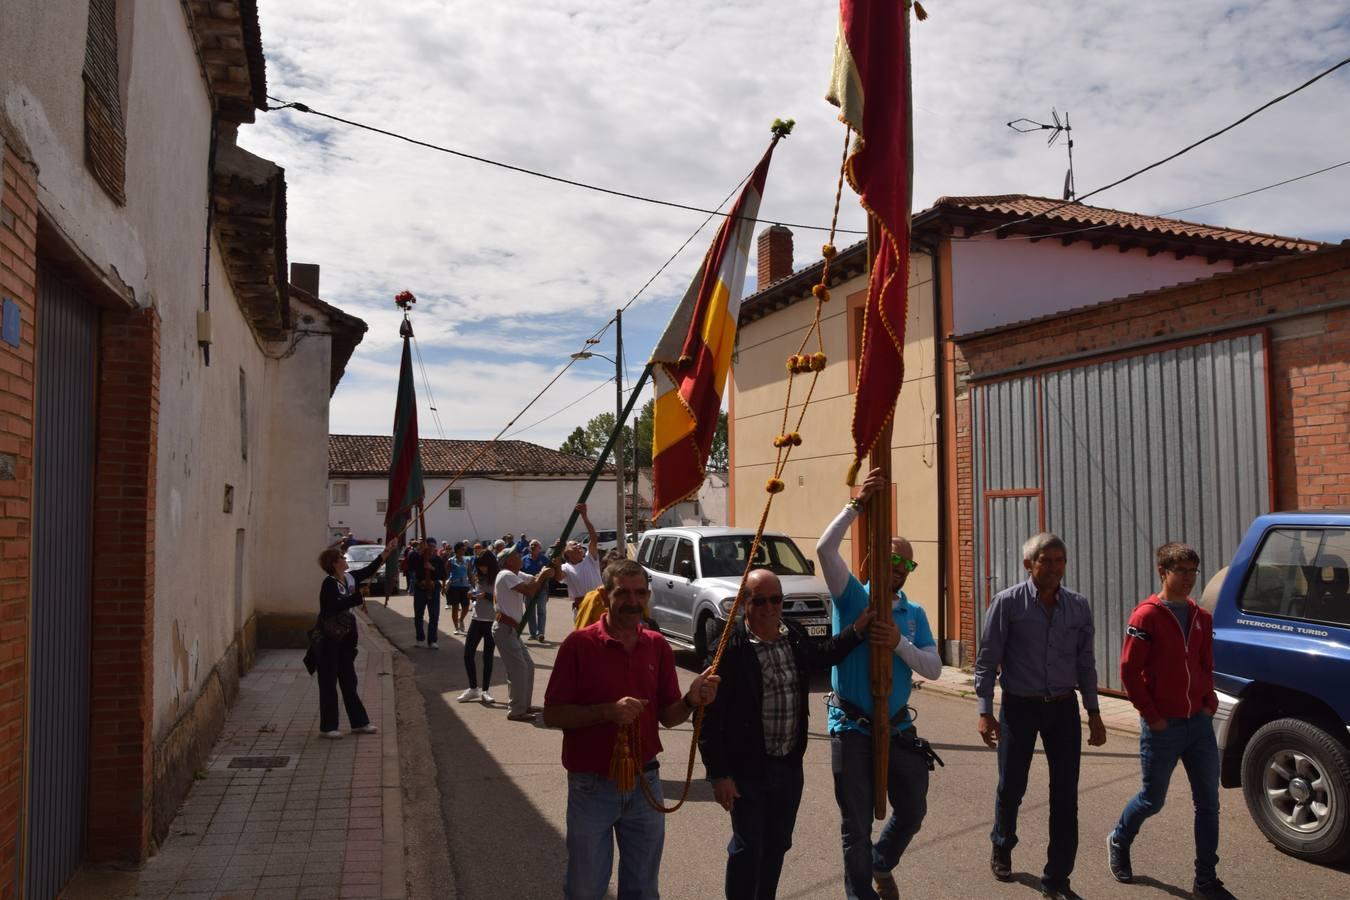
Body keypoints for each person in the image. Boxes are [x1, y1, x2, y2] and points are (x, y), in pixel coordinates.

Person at [544, 559, 720, 900]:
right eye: (622, 592)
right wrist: (607, 712)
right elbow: (553, 714)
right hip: (591, 784)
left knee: (642, 889)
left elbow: (669, 717)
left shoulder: (657, 645)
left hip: (645, 781)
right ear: (604, 595)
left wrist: (691, 699)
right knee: (585, 888)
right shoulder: (578, 645)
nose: (632, 601)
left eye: (640, 593)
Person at [699, 568, 878, 900]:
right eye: (761, 600)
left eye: (777, 599)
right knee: (748, 847)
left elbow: (824, 655)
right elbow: (708, 715)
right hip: (747, 768)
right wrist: (719, 774)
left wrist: (856, 630)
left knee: (777, 845)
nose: (770, 608)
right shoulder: (730, 647)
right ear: (744, 603)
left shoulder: (792, 635)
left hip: (788, 766)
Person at [817, 468, 944, 900]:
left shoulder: (915, 613)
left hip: (897, 728)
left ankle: (881, 860)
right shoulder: (850, 595)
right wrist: (857, 504)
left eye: (906, 562)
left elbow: (934, 668)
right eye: (892, 559)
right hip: (851, 728)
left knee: (912, 809)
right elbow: (824, 548)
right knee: (855, 825)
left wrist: (898, 643)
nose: (899, 568)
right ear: (873, 557)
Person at [974, 532, 1106, 900]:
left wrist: (1093, 712)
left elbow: (1086, 663)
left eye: (1059, 561)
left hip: (1063, 709)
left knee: (1065, 795)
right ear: (1028, 565)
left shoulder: (1078, 607)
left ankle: (1058, 877)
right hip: (1019, 707)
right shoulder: (1007, 604)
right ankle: (1002, 843)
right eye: (1045, 561)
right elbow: (986, 663)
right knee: (1012, 785)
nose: (1053, 568)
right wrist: (984, 711)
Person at [1109, 544, 1233, 900]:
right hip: (1163, 726)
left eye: (1194, 571)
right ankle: (1119, 839)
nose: (1189, 579)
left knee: (1208, 803)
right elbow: (1129, 672)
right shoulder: (1145, 616)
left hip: (1199, 725)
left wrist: (1209, 704)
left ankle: (1205, 879)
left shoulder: (1201, 617)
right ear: (1162, 572)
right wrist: (1152, 716)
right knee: (1152, 800)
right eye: (1181, 571)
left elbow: (1207, 665)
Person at [311, 539, 397, 738]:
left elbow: (370, 569)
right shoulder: (329, 584)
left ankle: (359, 722)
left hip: (346, 638)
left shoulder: (349, 578)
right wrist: (356, 598)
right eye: (341, 557)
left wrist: (387, 551)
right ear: (334, 563)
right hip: (329, 639)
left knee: (349, 680)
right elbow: (331, 608)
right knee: (329, 682)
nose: (344, 558)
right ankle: (328, 727)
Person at [493, 545, 557, 721]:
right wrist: (543, 575)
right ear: (508, 561)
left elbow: (534, 580)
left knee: (527, 666)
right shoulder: (506, 575)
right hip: (505, 628)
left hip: (511, 629)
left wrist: (547, 570)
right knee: (519, 669)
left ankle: (523, 705)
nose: (520, 556)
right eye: (516, 554)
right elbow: (530, 591)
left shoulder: (514, 574)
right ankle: (516, 710)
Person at [458, 549, 500, 704]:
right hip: (477, 619)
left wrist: (486, 596)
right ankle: (473, 687)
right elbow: (476, 593)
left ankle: (485, 690)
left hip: (491, 620)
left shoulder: (498, 577)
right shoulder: (478, 577)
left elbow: (500, 598)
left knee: (488, 656)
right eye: (480, 566)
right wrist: (471, 593)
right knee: (468, 653)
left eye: (484, 566)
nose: (482, 569)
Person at [561, 503, 603, 612]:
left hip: (599, 606)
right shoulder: (565, 568)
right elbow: (558, 576)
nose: (579, 545)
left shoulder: (590, 559)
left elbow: (593, 538)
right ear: (566, 552)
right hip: (581, 609)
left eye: (578, 543)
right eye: (574, 544)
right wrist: (557, 553)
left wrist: (584, 516)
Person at [407, 537, 447, 649]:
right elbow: (410, 564)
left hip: (433, 590)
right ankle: (420, 638)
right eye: (429, 546)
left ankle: (432, 640)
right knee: (418, 615)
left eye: (433, 546)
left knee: (434, 616)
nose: (431, 548)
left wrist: (432, 568)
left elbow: (444, 575)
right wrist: (420, 550)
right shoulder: (417, 557)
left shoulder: (437, 560)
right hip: (420, 589)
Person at [521, 538, 553, 642]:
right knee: (530, 612)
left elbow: (549, 575)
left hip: (542, 590)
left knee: (541, 611)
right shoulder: (524, 559)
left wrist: (547, 591)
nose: (533, 547)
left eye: (535, 545)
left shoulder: (544, 560)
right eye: (531, 545)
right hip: (529, 589)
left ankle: (541, 633)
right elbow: (520, 574)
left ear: (540, 548)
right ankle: (533, 633)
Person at [445, 540, 473, 635]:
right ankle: (456, 627)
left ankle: (461, 620)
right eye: (462, 549)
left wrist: (473, 585)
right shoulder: (450, 560)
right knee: (455, 608)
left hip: (465, 586)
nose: (464, 550)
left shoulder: (467, 560)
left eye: (464, 549)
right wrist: (444, 585)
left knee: (466, 607)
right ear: (457, 550)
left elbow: (469, 573)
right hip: (454, 587)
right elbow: (446, 574)